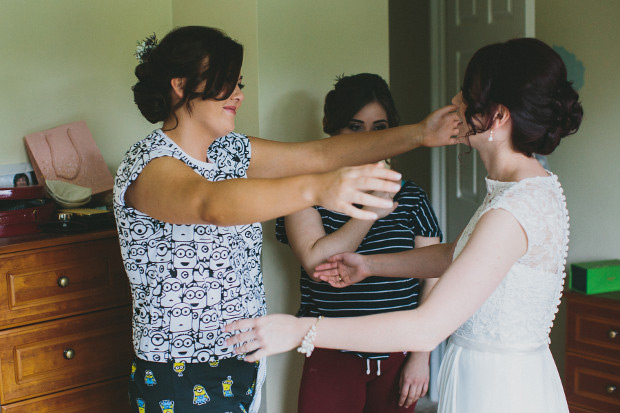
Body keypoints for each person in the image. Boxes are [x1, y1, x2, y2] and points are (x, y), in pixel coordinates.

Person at [226, 37, 583, 413]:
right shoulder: (522, 189)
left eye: (467, 95)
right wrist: (371, 265)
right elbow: (456, 254)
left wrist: (299, 329)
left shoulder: (512, 211)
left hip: (497, 386)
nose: (456, 102)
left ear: (498, 116)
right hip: (492, 369)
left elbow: (426, 327)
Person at [113, 26, 459, 413]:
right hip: (179, 369)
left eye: (238, 83)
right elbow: (209, 203)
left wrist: (418, 133)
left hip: (243, 355)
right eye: (227, 83)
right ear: (180, 86)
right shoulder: (148, 163)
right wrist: (317, 189)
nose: (239, 95)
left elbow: (323, 155)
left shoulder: (232, 151)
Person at [275, 73, 441, 412]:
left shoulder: (411, 197)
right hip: (330, 351)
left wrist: (421, 356)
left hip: (399, 351)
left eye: (380, 128)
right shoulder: (305, 191)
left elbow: (434, 276)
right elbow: (317, 261)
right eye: (355, 126)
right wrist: (369, 211)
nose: (369, 139)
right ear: (332, 128)